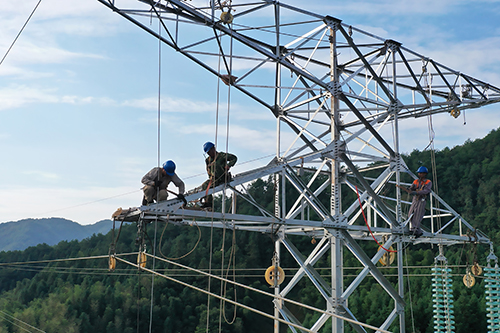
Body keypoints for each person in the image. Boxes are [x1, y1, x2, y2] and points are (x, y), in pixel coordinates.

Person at [200, 141, 237, 208]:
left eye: (209, 151)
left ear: (213, 149)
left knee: (216, 165)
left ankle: (208, 202)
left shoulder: (221, 156)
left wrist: (229, 165)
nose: (209, 154)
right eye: (207, 153)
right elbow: (208, 171)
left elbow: (234, 158)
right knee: (205, 186)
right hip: (214, 179)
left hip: (223, 177)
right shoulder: (208, 160)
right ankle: (208, 203)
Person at [403, 166, 432, 238]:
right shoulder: (416, 181)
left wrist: (417, 192)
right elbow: (412, 187)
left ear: (424, 174)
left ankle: (415, 230)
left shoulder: (428, 182)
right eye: (419, 173)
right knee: (410, 214)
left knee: (418, 215)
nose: (419, 175)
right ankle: (415, 230)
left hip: (421, 200)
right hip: (415, 199)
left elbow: (426, 191)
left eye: (421, 173)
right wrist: (409, 190)